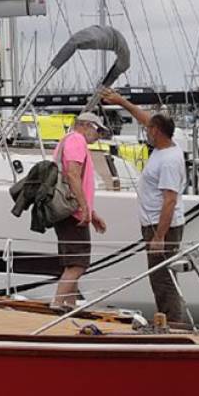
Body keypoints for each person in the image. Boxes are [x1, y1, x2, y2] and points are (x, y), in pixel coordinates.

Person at [99, 88, 191, 326]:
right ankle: (167, 320)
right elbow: (145, 118)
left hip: (161, 227)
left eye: (149, 129)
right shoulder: (168, 144)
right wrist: (121, 102)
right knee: (158, 276)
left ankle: (173, 323)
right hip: (153, 224)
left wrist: (160, 236)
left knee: (162, 277)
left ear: (156, 132)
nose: (146, 131)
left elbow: (169, 199)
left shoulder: (169, 160)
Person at [51, 112, 108, 310]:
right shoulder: (76, 140)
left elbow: (75, 179)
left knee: (72, 261)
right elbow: (73, 175)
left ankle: (69, 303)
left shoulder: (67, 139)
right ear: (85, 125)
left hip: (69, 210)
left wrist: (92, 213)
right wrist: (84, 209)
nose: (99, 135)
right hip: (73, 212)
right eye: (98, 129)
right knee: (79, 263)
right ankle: (58, 303)